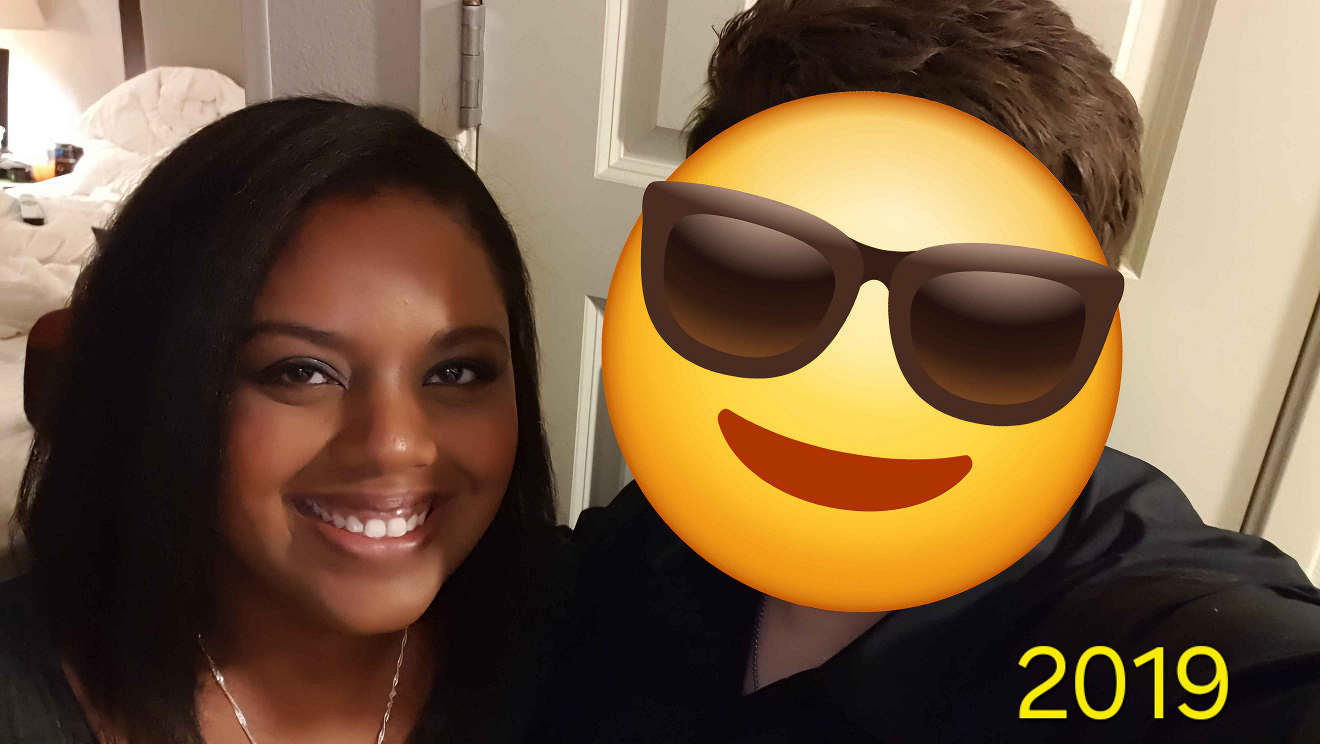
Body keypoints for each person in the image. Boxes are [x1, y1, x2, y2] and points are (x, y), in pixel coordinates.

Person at [532, 2, 1320, 742]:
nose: (848, 385)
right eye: (757, 273)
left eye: (982, 315)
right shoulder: (666, 524)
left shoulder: (1130, 620)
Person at [1, 98, 566, 743]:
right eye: (301, 372)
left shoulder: (588, 635)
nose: (396, 443)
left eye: (456, 372)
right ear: (157, 388)